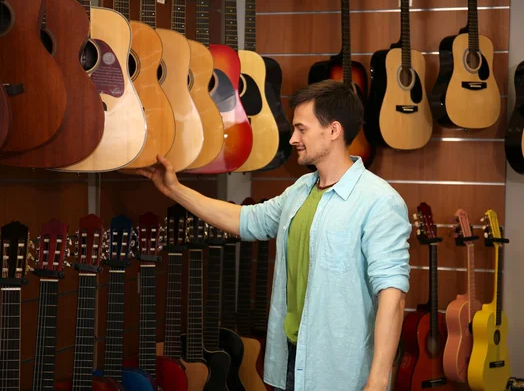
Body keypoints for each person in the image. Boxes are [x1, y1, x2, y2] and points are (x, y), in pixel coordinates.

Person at [139, 79, 412, 391]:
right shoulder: (300, 190)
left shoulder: (379, 202)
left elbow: (393, 297)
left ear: (333, 130)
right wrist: (175, 189)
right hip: (292, 357)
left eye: (302, 128)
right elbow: (244, 219)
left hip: (342, 370)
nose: (293, 138)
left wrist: (377, 382)